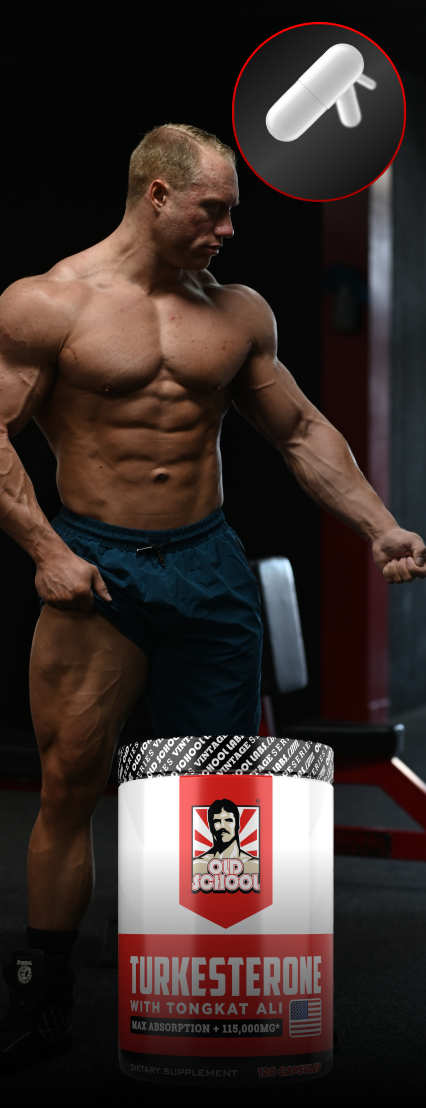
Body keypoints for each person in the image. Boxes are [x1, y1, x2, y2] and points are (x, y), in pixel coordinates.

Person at [0, 123, 424, 1069]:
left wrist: (379, 524)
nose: (230, 229)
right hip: (97, 567)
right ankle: (44, 992)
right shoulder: (47, 303)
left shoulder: (237, 313)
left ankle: (208, 983)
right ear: (156, 195)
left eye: (232, 212)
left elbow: (303, 431)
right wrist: (44, 549)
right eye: (214, 208)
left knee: (216, 794)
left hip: (208, 565)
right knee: (72, 787)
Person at [193, 799, 259, 874]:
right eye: (217, 821)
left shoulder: (254, 866)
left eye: (228, 820)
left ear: (237, 825)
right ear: (210, 826)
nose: (223, 826)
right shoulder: (198, 865)